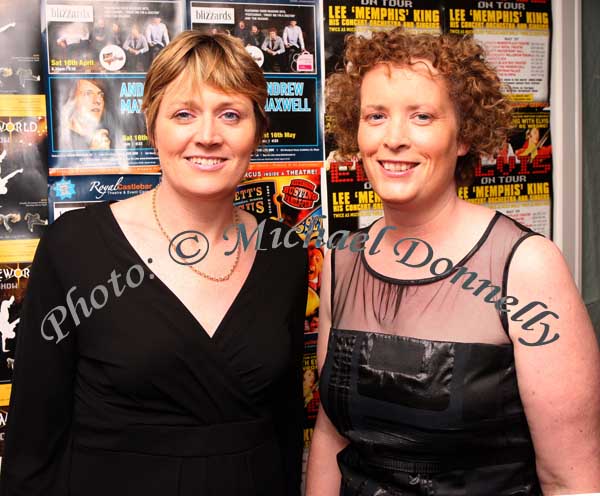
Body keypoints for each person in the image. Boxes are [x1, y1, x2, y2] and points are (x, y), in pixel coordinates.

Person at [1, 31, 307, 496]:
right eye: (184, 114)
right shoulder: (75, 247)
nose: (207, 136)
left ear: (257, 131)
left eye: (230, 114)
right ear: (152, 126)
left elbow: (285, 424)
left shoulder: (284, 252)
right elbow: (32, 442)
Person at [306, 28, 600, 495]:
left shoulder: (525, 267)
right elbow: (331, 434)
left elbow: (571, 481)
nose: (394, 139)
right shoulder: (343, 261)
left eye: (422, 116)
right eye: (376, 115)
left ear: (463, 136)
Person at [56, 79, 112, 150]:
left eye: (101, 95)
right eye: (88, 94)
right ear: (72, 99)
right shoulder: (58, 140)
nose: (98, 100)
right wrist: (95, 152)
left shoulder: (106, 138)